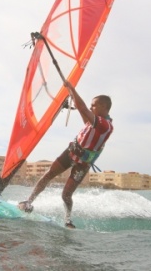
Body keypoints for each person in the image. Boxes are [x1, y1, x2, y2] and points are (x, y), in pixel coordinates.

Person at [18, 80, 113, 228]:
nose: (90, 107)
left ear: (103, 106)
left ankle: (68, 220)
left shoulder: (105, 125)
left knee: (66, 195)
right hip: (71, 152)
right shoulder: (94, 120)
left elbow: (82, 107)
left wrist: (72, 89)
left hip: (83, 163)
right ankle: (28, 202)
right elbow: (82, 111)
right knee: (48, 174)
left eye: (93, 105)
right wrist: (70, 94)